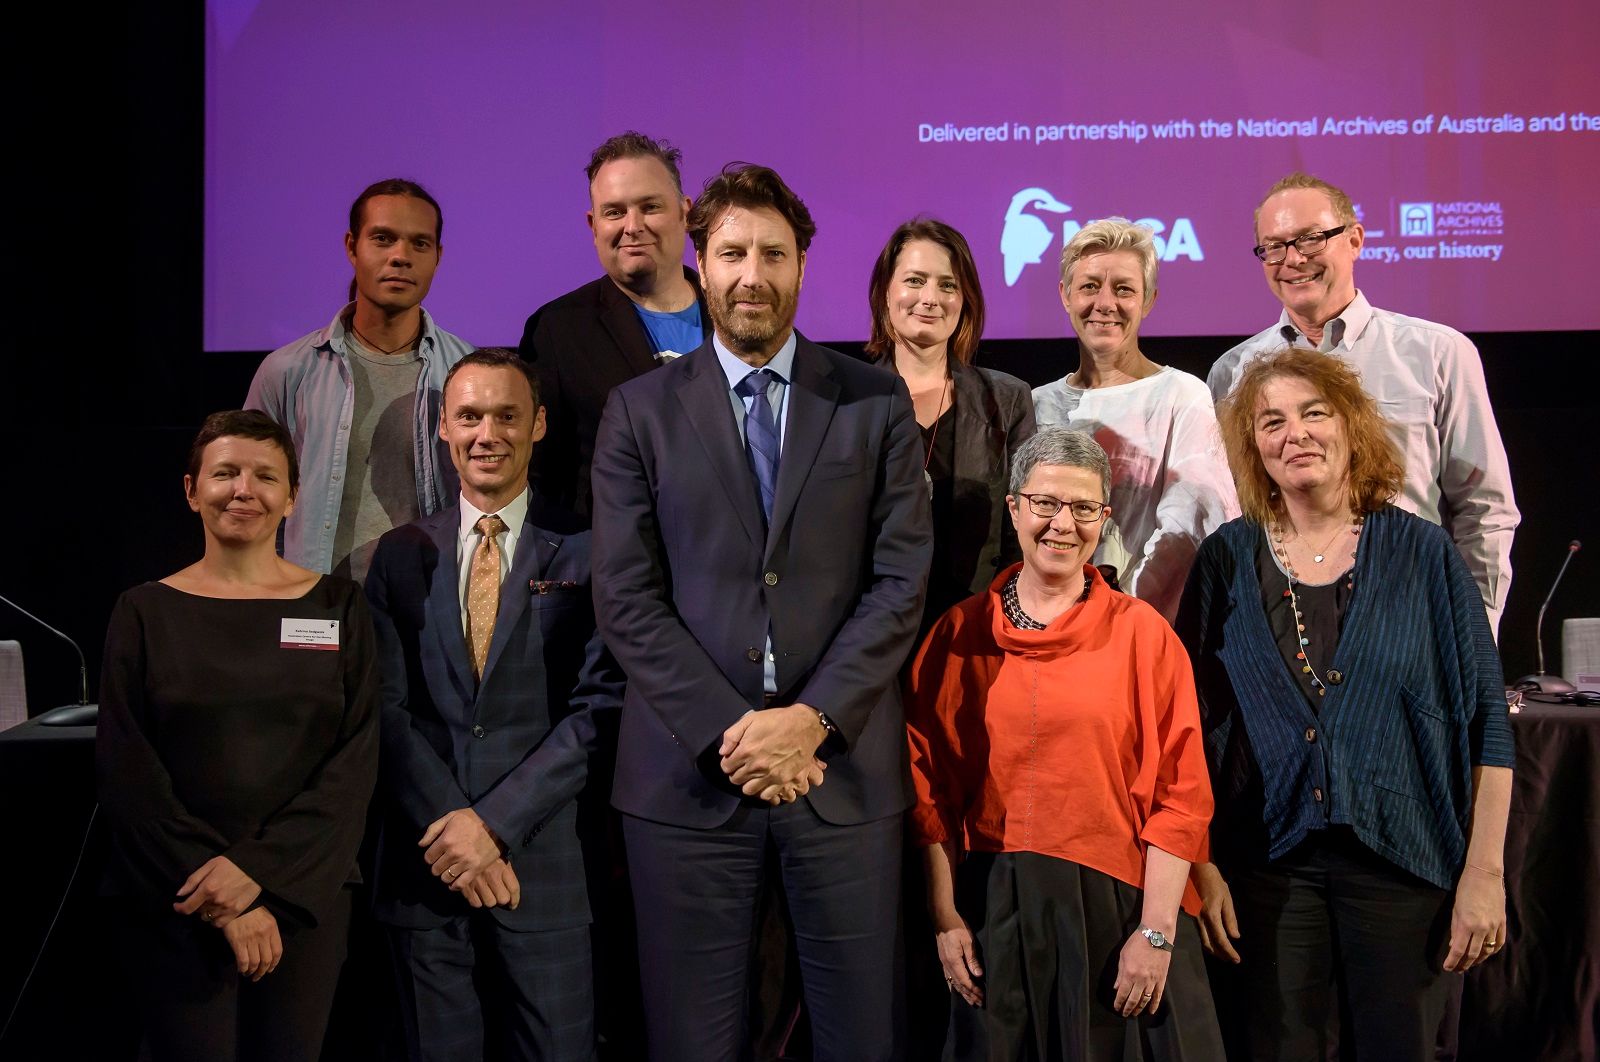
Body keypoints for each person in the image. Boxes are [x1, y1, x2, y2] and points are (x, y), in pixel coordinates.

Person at [591, 163, 931, 1061]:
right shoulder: (638, 411)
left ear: (803, 266)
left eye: (773, 254)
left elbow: (899, 582)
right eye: (733, 253)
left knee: (861, 1039)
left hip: (840, 776)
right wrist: (734, 733)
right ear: (701, 263)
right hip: (687, 779)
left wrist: (812, 721)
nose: (753, 275)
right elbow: (625, 597)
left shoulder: (873, 398)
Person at [1176, 347, 1514, 1061]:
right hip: (1265, 867)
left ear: (1351, 427)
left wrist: (1485, 875)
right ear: (1252, 447)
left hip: (1404, 863)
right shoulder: (1225, 558)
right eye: (1271, 421)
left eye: (1314, 413)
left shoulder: (1424, 555)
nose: (1294, 433)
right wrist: (1201, 866)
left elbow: (1489, 725)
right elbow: (1188, 732)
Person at [905, 427, 1223, 1061]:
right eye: (1045, 503)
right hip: (992, 911)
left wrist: (1156, 933)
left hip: (1123, 911)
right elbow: (925, 788)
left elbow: (1181, 794)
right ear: (1014, 508)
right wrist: (944, 917)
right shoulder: (958, 634)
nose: (1063, 524)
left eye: (1083, 508)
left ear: (1104, 518)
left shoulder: (1144, 636)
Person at [364, 349, 623, 1062]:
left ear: (538, 424)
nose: (488, 434)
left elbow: (601, 706)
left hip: (546, 868)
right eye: (470, 416)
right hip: (427, 867)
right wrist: (455, 828)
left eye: (507, 416)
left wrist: (495, 826)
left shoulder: (593, 551)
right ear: (443, 428)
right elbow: (383, 710)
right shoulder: (396, 555)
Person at [96, 410, 379, 1062]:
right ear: (192, 490)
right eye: (225, 473)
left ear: (292, 496)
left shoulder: (339, 607)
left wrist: (259, 877)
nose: (243, 490)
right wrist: (221, 895)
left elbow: (354, 763)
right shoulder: (143, 611)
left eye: (265, 477)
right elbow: (126, 769)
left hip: (302, 897)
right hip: (177, 895)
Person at [1206, 173, 1518, 634]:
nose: (1293, 259)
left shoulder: (1437, 353)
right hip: (1285, 623)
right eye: (1274, 247)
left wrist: (1474, 633)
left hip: (1411, 614)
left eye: (1310, 239)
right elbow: (1234, 508)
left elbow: (1484, 509)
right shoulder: (1232, 373)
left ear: (1354, 240)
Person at [246, 178, 473, 580]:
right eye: (383, 239)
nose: (400, 257)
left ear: (438, 256)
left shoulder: (467, 371)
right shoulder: (288, 371)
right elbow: (252, 497)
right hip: (314, 597)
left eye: (420, 243)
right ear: (352, 246)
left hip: (429, 599)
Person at [1032, 217, 1237, 623]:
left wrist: (1121, 611)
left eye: (1123, 289)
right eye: (1090, 286)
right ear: (1065, 295)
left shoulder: (1181, 394)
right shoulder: (1036, 403)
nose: (1105, 303)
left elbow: (1194, 521)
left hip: (1140, 625)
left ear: (1148, 300)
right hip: (1046, 624)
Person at [519, 131, 709, 516]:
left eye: (650, 207)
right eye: (614, 212)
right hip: (609, 550)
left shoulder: (732, 317)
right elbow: (541, 477)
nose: (632, 225)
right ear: (593, 225)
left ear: (685, 213)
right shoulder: (556, 330)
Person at [865, 217, 1035, 636]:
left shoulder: (1008, 399)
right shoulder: (848, 399)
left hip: (975, 629)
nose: (930, 298)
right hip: (869, 630)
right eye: (915, 280)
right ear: (885, 291)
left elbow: (1019, 533)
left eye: (947, 285)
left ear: (965, 300)